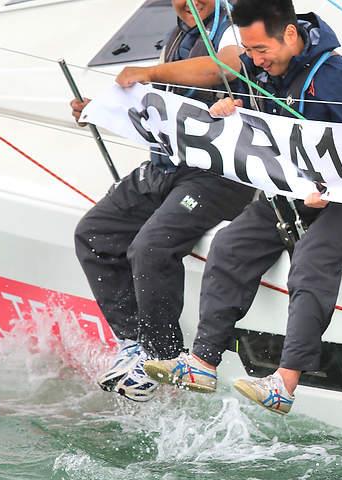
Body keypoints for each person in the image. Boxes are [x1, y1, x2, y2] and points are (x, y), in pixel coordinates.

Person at [144, 0, 342, 413]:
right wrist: (230, 111)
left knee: (313, 257)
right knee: (230, 244)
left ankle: (285, 383)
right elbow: (260, 118)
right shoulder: (264, 67)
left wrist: (332, 187)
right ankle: (202, 362)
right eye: (248, 50)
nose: (254, 59)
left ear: (289, 35)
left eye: (260, 50)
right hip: (297, 189)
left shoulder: (334, 77)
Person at [73, 0, 255, 402]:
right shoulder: (177, 33)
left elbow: (220, 68)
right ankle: (134, 344)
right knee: (94, 233)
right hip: (165, 166)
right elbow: (158, 108)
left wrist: (149, 71)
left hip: (218, 175)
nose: (192, 3)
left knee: (150, 247)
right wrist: (99, 110)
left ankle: (162, 359)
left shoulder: (236, 26)